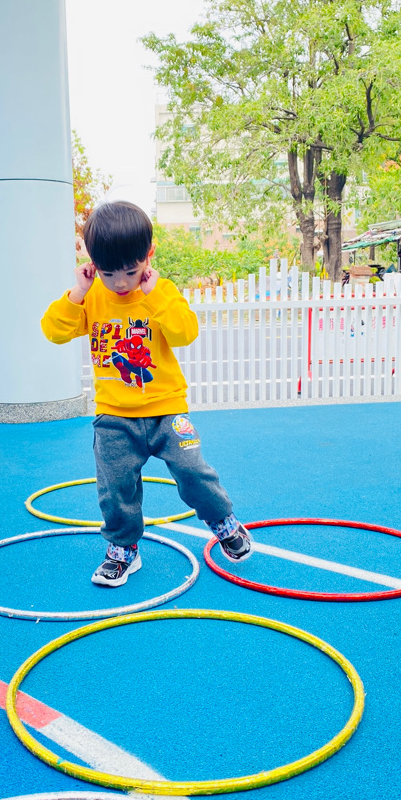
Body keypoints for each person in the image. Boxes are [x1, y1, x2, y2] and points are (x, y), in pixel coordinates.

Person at [41, 200, 251, 586]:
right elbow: (53, 332)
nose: (120, 283)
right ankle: (123, 549)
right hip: (114, 416)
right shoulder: (91, 295)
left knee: (193, 471)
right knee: (115, 487)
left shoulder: (161, 292)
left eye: (130, 271)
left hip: (167, 411)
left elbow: (185, 333)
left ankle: (223, 521)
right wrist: (77, 292)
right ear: (91, 263)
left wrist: (155, 297)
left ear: (148, 255)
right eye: (108, 273)